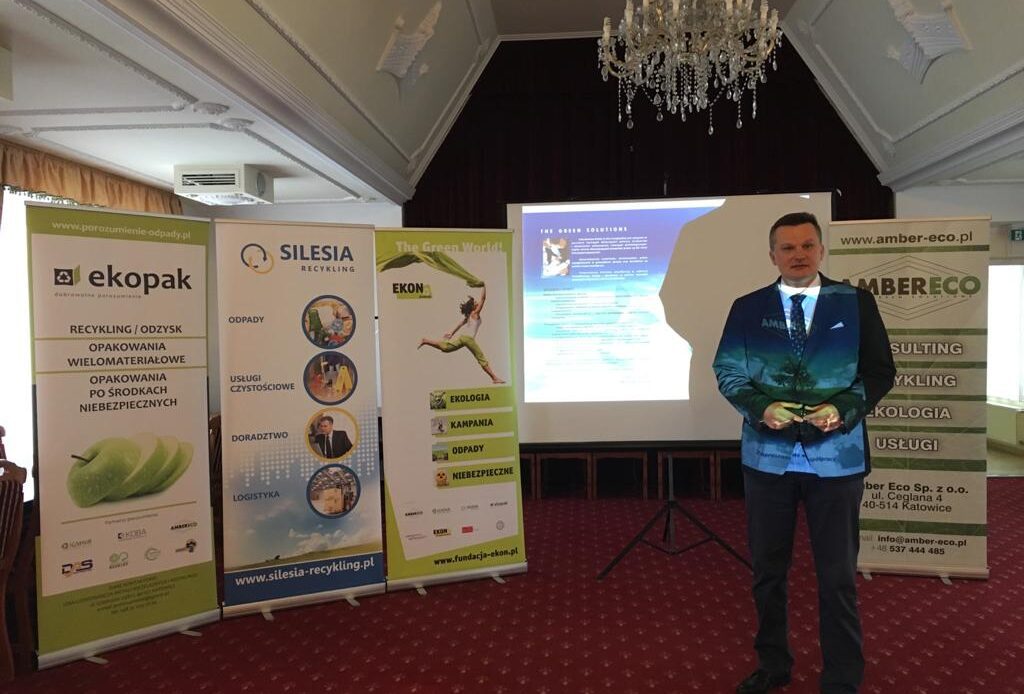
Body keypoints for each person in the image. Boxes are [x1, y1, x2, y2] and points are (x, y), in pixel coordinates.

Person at [712, 212, 895, 694]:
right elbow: (728, 370)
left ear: (821, 250)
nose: (798, 255)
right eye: (788, 247)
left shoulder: (855, 303)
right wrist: (761, 407)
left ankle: (842, 677)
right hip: (766, 462)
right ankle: (773, 665)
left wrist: (843, 409)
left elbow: (880, 372)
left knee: (837, 576)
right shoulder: (747, 308)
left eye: (807, 245)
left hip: (837, 459)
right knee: (768, 573)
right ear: (772, 255)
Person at [419, 285, 505, 384]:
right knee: (481, 358)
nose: (477, 303)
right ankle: (494, 378)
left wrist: (452, 333)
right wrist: (483, 285)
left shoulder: (469, 315)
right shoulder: (475, 313)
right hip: (468, 339)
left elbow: (460, 323)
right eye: (475, 303)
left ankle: (426, 341)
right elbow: (483, 298)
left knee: (447, 348)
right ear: (473, 307)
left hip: (463, 338)